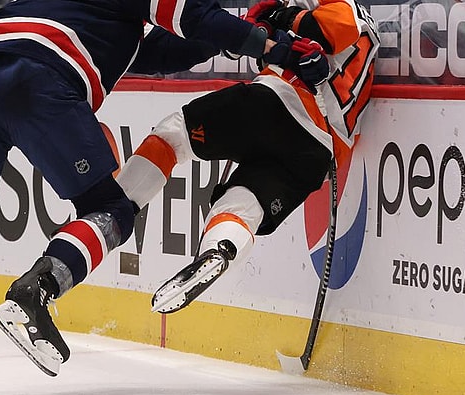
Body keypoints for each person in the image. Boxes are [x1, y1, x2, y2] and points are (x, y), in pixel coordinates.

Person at [0, 0, 303, 395]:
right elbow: (191, 16)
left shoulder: (99, 15)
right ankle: (35, 292)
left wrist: (240, 33)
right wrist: (269, 44)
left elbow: (164, 52)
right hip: (36, 77)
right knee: (112, 210)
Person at [113, 0, 380, 314]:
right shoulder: (358, 35)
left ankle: (112, 210)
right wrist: (269, 29)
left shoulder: (351, 10)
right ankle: (220, 249)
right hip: (319, 156)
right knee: (243, 202)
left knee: (174, 135)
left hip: (280, 102)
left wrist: (281, 16)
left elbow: (325, 29)